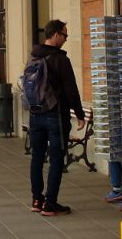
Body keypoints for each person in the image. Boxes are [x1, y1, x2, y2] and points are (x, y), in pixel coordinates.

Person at [27, 19, 85, 216]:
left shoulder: (33, 56)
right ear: (55, 35)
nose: (66, 39)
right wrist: (79, 114)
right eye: (65, 35)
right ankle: (50, 203)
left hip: (35, 114)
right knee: (56, 159)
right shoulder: (60, 60)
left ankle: (36, 199)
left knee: (36, 157)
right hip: (55, 116)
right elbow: (71, 90)